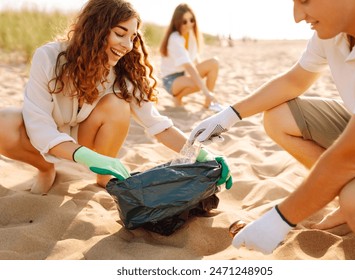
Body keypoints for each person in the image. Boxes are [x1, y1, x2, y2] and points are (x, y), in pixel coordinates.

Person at [189, 0, 355, 254]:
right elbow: (295, 80)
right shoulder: (334, 30)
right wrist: (230, 115)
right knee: (279, 117)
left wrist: (280, 219)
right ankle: (352, 194)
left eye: (305, 1)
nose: (297, 16)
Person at [0, 0, 231, 195]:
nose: (127, 45)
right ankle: (45, 168)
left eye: (132, 37)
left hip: (84, 137)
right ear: (95, 29)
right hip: (51, 140)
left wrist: (201, 153)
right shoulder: (48, 57)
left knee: (118, 104)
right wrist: (83, 155)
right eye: (120, 34)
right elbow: (38, 123)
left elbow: (157, 125)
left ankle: (104, 176)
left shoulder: (123, 73)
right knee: (3, 122)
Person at [159, 3, 222, 111]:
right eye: (184, 21)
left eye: (191, 20)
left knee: (213, 63)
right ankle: (179, 97)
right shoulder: (175, 38)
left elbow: (195, 59)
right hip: (170, 80)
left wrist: (203, 72)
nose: (189, 24)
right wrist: (206, 92)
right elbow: (188, 66)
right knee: (198, 82)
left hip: (182, 76)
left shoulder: (191, 35)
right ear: (177, 21)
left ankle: (208, 103)